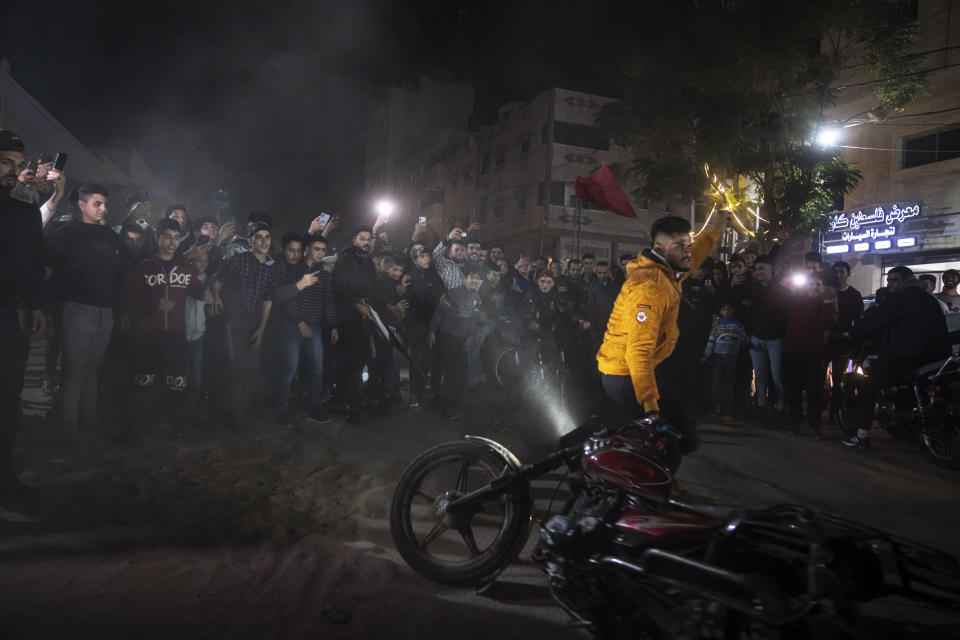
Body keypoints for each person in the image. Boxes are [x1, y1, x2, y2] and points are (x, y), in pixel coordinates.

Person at [597, 216, 716, 454]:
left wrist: (717, 228)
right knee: (664, 443)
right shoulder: (649, 287)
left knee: (684, 434)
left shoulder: (671, 270)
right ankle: (628, 480)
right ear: (660, 248)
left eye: (688, 245)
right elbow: (637, 352)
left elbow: (696, 254)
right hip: (626, 373)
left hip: (646, 369)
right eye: (680, 247)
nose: (688, 253)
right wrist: (651, 408)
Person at [45, 183, 127, 436]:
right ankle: (68, 429)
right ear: (81, 204)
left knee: (92, 371)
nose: (103, 209)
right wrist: (49, 310)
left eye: (104, 204)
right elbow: (49, 273)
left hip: (105, 311)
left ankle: (88, 424)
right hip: (77, 309)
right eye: (97, 203)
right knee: (74, 371)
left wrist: (121, 309)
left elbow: (121, 273)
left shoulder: (110, 236)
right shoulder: (63, 233)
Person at [844, 266, 951, 449]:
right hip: (939, 356)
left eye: (894, 280)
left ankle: (861, 437)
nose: (890, 284)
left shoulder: (901, 299)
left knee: (869, 384)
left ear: (906, 280)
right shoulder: (930, 299)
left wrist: (853, 332)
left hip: (911, 357)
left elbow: (875, 321)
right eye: (889, 280)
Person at [0, 130, 46, 499]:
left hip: (9, 311)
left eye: (17, 165)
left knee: (8, 396)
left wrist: (39, 302)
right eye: (4, 163)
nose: (12, 172)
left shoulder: (23, 207)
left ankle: (4, 476)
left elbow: (34, 259)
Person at [126, 218, 206, 428]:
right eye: (167, 237)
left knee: (176, 380)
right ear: (157, 237)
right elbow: (131, 297)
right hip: (148, 332)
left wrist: (213, 289)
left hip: (177, 332)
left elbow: (200, 291)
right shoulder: (144, 267)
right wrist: (153, 302)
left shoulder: (187, 268)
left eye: (177, 238)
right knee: (146, 379)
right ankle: (142, 426)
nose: (172, 243)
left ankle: (173, 425)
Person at [210, 219, 282, 422]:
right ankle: (234, 415)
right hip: (234, 322)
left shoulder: (272, 268)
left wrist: (261, 328)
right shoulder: (239, 260)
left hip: (255, 322)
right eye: (258, 238)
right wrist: (215, 295)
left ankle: (244, 412)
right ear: (250, 241)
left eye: (267, 238)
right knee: (237, 367)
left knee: (252, 368)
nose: (264, 242)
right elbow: (218, 280)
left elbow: (268, 301)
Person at [273, 236, 338, 426]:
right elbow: (286, 300)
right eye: (317, 249)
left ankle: (314, 407)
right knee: (289, 371)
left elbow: (328, 301)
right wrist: (299, 322)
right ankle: (282, 409)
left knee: (317, 369)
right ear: (307, 250)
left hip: (315, 326)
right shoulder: (294, 270)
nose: (321, 253)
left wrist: (333, 325)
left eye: (323, 250)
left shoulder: (324, 275)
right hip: (292, 326)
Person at [428, 263, 485, 419]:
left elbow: (474, 321)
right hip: (447, 337)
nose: (475, 281)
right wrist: (432, 331)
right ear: (465, 279)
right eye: (472, 277)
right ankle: (444, 405)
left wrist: (471, 337)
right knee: (448, 372)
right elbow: (439, 313)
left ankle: (456, 404)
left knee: (461, 373)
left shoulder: (477, 299)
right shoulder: (452, 294)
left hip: (463, 340)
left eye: (478, 279)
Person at [781, 273, 834, 437]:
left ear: (823, 287)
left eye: (818, 284)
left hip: (813, 352)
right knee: (793, 389)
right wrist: (783, 285)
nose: (815, 287)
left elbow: (827, 323)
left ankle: (814, 425)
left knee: (814, 390)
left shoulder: (826, 303)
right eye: (811, 283)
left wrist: (827, 305)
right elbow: (776, 304)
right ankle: (794, 423)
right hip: (792, 350)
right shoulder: (795, 300)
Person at [331, 226, 376, 420]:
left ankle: (342, 400)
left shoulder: (367, 262)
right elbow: (340, 287)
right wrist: (357, 305)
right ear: (354, 240)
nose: (366, 242)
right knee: (354, 363)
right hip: (348, 318)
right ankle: (353, 406)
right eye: (362, 238)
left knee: (354, 362)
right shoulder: (346, 258)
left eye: (368, 238)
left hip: (363, 318)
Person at [745, 256, 788, 422]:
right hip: (757, 337)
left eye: (761, 268)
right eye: (755, 269)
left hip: (776, 338)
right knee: (760, 375)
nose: (758, 272)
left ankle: (781, 408)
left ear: (772, 268)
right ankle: (761, 407)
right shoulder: (752, 288)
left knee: (777, 376)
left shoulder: (782, 288)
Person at [405, 244, 444, 411]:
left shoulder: (434, 277)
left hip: (431, 324)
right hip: (415, 325)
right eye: (422, 256)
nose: (427, 258)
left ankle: (422, 392)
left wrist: (433, 329)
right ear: (414, 260)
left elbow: (440, 300)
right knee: (416, 360)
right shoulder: (409, 277)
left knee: (428, 359)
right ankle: (414, 394)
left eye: (427, 256)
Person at [827, 261, 864, 422]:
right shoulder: (826, 291)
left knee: (838, 380)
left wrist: (851, 335)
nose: (838, 275)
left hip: (842, 342)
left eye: (842, 272)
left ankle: (834, 413)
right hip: (824, 339)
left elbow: (859, 320)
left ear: (848, 274)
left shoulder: (854, 295)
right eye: (835, 272)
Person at [700, 300, 746, 421]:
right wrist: (706, 355)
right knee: (716, 384)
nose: (726, 312)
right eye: (723, 309)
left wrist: (743, 339)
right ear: (720, 311)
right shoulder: (716, 325)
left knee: (729, 385)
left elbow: (744, 340)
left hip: (731, 358)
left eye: (728, 309)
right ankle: (717, 408)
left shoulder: (737, 325)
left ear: (732, 311)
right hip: (717, 357)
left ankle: (728, 411)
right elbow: (711, 341)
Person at [585, 261, 620, 352]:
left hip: (611, 326)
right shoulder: (592, 287)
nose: (602, 275)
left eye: (604, 273)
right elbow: (590, 308)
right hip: (595, 326)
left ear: (608, 273)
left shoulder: (615, 288)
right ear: (596, 273)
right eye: (599, 273)